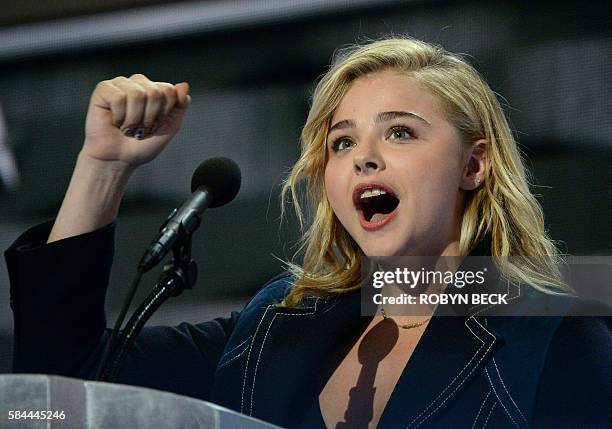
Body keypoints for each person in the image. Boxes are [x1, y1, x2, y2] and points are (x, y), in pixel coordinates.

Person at [5, 37, 611, 428]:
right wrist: (104, 166)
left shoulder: (552, 339)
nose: (362, 159)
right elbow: (63, 383)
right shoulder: (277, 322)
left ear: (474, 165)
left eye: (399, 132)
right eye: (342, 141)